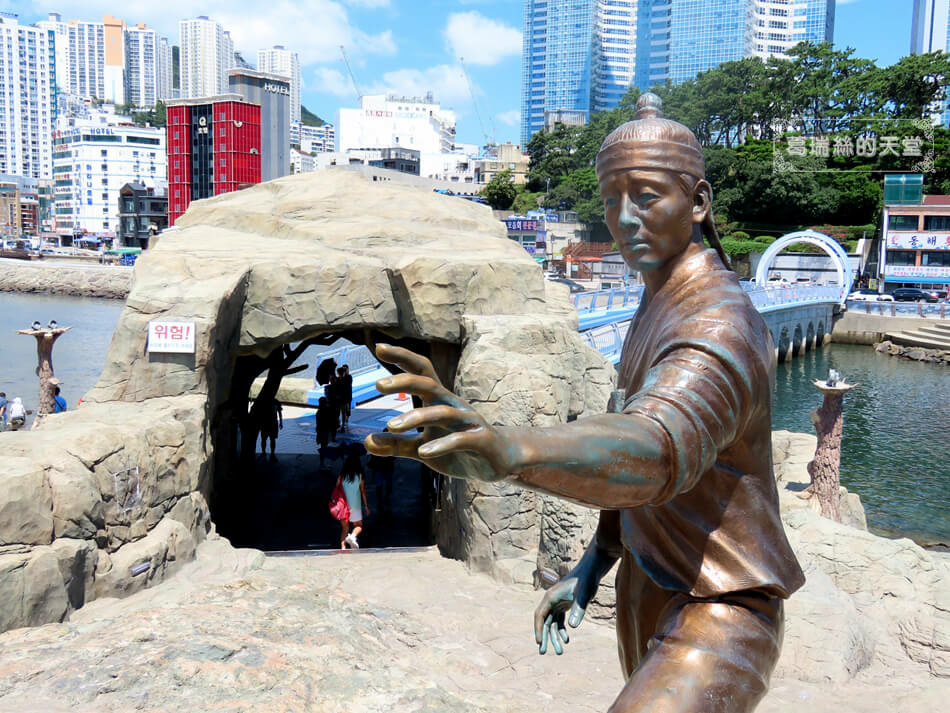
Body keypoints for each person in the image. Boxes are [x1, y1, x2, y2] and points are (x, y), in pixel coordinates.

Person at [365, 93, 804, 713]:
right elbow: (629, 436)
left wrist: (509, 449)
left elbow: (656, 448)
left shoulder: (720, 323)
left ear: (699, 202)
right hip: (646, 583)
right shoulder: (655, 303)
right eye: (611, 200)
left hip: (721, 605)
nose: (624, 218)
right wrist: (594, 563)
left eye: (647, 197)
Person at [338, 449, 369, 549]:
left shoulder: (342, 476)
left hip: (342, 505)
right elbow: (363, 491)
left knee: (344, 528)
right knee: (358, 525)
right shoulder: (359, 476)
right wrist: (366, 506)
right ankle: (353, 536)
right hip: (355, 504)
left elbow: (336, 488)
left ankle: (343, 548)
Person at [337, 365, 353, 431]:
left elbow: (347, 387)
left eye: (345, 369)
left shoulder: (349, 377)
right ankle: (341, 424)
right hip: (342, 398)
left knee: (346, 411)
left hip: (346, 397)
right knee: (341, 412)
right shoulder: (338, 379)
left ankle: (344, 423)